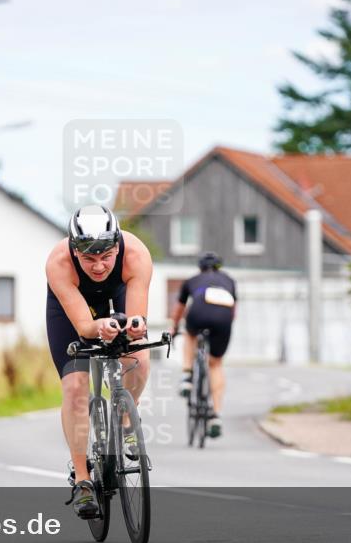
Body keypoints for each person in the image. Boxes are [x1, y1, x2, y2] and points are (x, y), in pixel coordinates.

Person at [45, 205, 153, 518]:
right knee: (76, 387)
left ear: (117, 246)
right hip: (71, 310)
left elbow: (136, 318)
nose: (98, 266)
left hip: (118, 295)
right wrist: (98, 328)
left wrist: (135, 326)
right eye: (89, 259)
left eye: (105, 257)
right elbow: (84, 328)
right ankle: (82, 479)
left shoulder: (136, 255)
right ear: (74, 251)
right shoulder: (59, 263)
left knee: (139, 360)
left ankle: (124, 421)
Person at [170, 252, 236, 439]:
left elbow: (179, 309)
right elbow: (233, 311)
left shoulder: (192, 280)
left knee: (189, 335)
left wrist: (174, 328)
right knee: (215, 364)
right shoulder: (229, 280)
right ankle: (215, 415)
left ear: (200, 267)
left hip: (198, 312)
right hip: (223, 317)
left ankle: (187, 376)